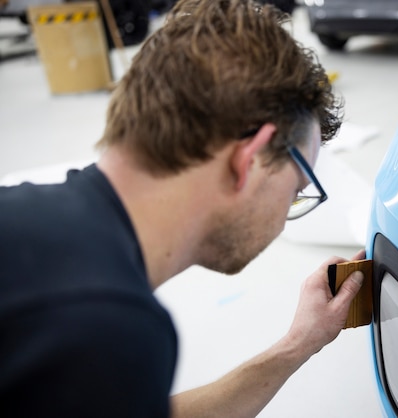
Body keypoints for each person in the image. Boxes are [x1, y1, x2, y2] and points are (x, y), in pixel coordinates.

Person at [0, 0, 366, 416]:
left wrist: (297, 345)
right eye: (297, 188)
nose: (286, 214)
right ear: (249, 160)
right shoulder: (106, 329)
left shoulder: (24, 219)